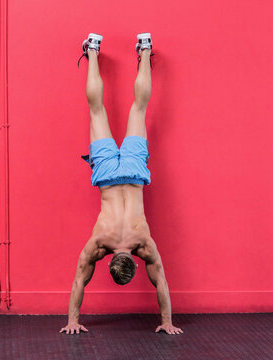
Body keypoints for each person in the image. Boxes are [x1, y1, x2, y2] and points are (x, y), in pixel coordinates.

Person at [60, 33, 183, 335]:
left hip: (134, 171)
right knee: (97, 110)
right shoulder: (100, 243)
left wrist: (167, 322)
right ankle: (92, 50)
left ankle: (144, 48)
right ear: (111, 262)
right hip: (106, 174)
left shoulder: (145, 245)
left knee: (139, 109)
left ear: (134, 263)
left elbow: (162, 283)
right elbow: (78, 281)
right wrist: (72, 320)